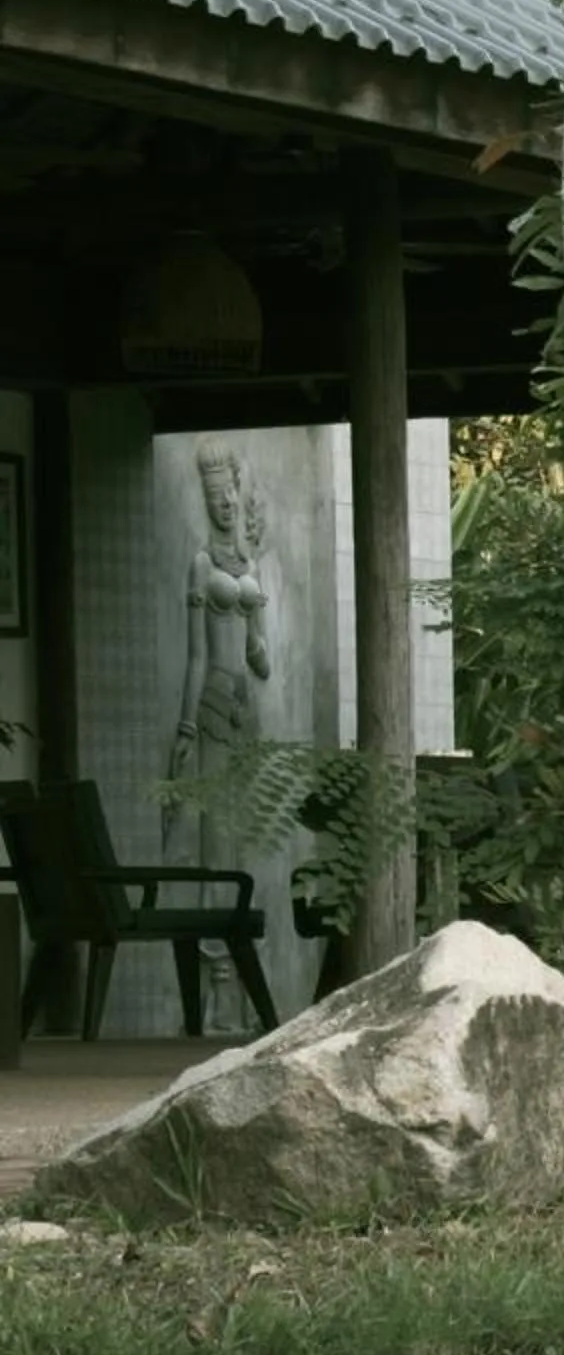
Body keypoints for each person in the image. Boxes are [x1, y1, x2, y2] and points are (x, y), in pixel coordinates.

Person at [163, 440, 270, 1031]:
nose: (222, 502)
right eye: (211, 496)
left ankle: (240, 997)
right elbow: (197, 655)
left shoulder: (248, 567)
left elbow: (262, 659)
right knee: (216, 847)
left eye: (227, 490)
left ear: (237, 486)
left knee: (243, 842)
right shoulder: (201, 565)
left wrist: (260, 635)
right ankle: (218, 996)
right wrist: (183, 725)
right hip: (208, 710)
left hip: (244, 711)